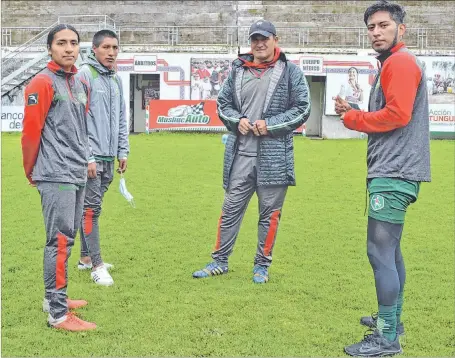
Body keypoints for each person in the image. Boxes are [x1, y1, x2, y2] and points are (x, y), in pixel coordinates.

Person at [334, 1, 431, 356]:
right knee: (390, 252)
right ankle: (392, 320)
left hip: (394, 172)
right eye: (371, 27)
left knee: (379, 253)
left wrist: (354, 120)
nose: (376, 32)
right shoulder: (393, 63)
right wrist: (358, 112)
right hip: (396, 170)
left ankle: (387, 338)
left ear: (400, 30)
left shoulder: (401, 63)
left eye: (383, 25)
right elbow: (390, 114)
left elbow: (398, 115)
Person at [192, 20, 310, 283]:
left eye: (264, 38)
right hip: (240, 156)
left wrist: (269, 125)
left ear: (275, 40)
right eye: (255, 39)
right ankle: (219, 261)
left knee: (269, 215)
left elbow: (303, 108)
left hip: (274, 159)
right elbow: (223, 105)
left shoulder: (290, 71)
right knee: (230, 209)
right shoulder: (238, 70)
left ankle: (261, 265)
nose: (259, 43)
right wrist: (237, 121)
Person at [21, 24, 96, 331]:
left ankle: (55, 298)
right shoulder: (41, 82)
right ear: (49, 48)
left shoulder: (80, 81)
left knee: (68, 237)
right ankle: (58, 314)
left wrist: (87, 159)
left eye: (74, 43)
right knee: (60, 241)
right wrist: (32, 170)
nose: (68, 48)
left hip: (77, 171)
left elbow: (81, 128)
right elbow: (30, 132)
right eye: (61, 43)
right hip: (55, 173)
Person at [76, 29, 130, 286]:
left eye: (115, 48)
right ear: (94, 49)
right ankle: (97, 265)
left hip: (110, 157)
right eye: (106, 47)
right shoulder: (85, 75)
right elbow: (79, 120)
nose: (111, 52)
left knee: (91, 208)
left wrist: (123, 150)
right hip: (91, 158)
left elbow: (121, 118)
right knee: (91, 210)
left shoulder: (116, 80)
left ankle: (85, 258)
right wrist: (87, 157)